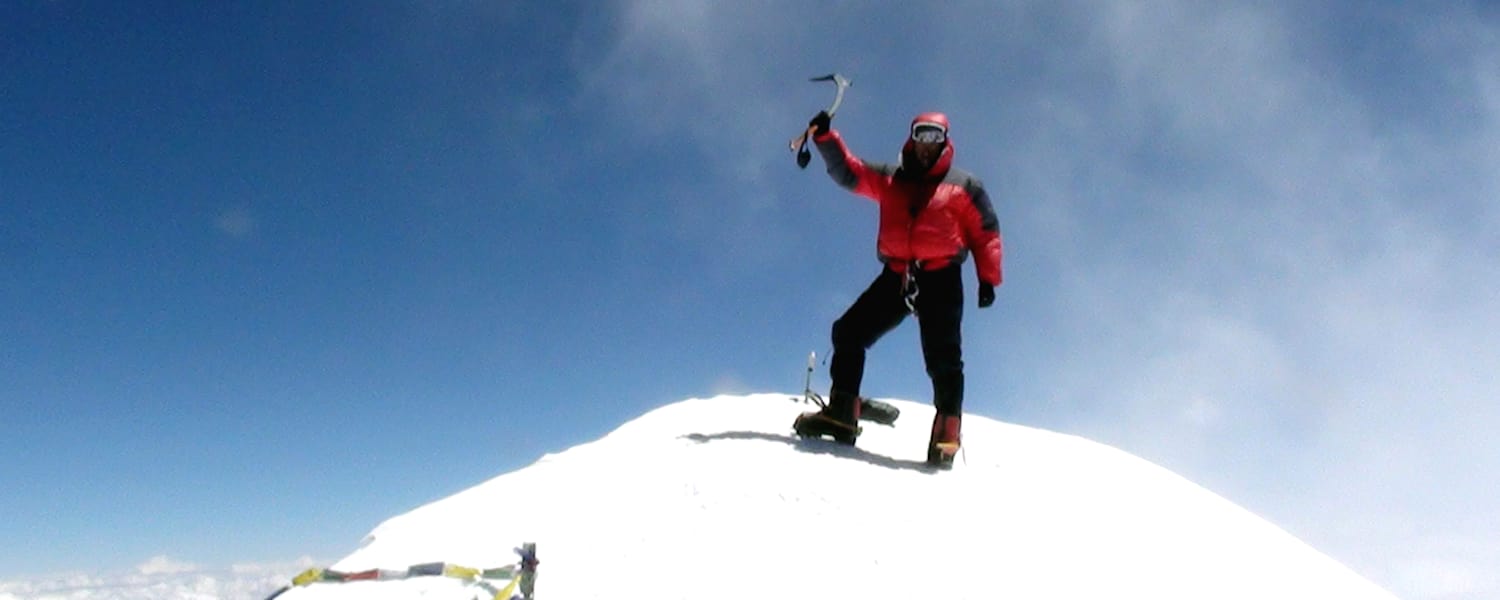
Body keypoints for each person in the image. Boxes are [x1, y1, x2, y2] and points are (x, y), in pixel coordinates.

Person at [792, 109, 1003, 468]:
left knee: (944, 358)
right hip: (898, 275)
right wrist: (826, 138)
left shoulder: (964, 186)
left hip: (941, 277)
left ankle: (946, 437)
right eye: (922, 134)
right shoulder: (891, 178)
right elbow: (850, 171)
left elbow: (986, 232)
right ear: (912, 136)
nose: (927, 144)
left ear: (946, 141)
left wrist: (988, 278)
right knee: (848, 332)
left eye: (935, 136)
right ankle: (842, 414)